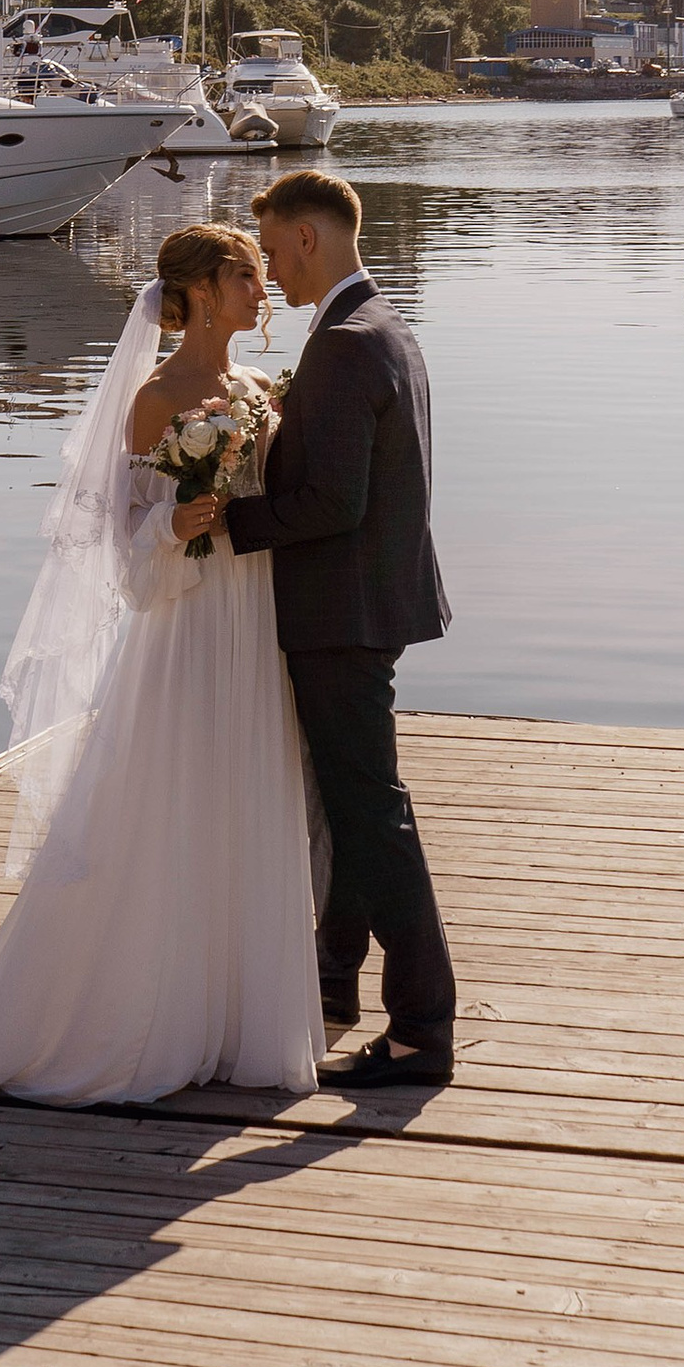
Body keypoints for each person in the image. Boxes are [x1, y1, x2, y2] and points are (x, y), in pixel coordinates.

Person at [0, 221, 323, 1103]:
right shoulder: (153, 397)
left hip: (258, 615)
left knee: (248, 787)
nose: (264, 290)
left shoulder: (255, 388)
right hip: (190, 622)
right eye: (249, 276)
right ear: (206, 287)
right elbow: (122, 554)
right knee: (175, 796)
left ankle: (241, 1015)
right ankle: (151, 1009)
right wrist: (175, 523)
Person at [174, 165, 455, 1088]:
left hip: (340, 611)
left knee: (372, 814)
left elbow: (333, 501)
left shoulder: (343, 344)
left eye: (278, 259)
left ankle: (420, 1029)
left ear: (306, 238)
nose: (275, 286)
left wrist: (229, 522)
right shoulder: (385, 327)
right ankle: (334, 982)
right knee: (347, 806)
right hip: (372, 600)